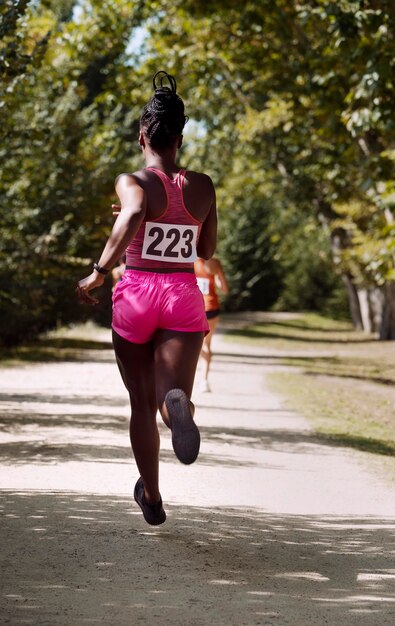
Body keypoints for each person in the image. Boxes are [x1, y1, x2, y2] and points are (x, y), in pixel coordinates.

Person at [76, 71, 217, 526]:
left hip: (136, 293)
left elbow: (136, 211)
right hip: (181, 294)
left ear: (143, 136)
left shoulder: (132, 181)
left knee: (139, 404)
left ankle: (152, 497)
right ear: (180, 137)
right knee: (169, 393)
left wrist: (98, 274)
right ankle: (177, 405)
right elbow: (205, 251)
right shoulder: (203, 186)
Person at [194, 257, 229, 392]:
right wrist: (219, 271)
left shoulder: (188, 260)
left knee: (195, 344)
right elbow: (224, 289)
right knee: (205, 345)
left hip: (196, 308)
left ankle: (201, 379)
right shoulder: (213, 263)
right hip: (211, 309)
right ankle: (204, 380)